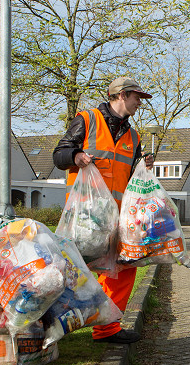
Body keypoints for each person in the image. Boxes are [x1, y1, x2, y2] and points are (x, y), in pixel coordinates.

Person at [53, 77, 155, 344]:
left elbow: (131, 176)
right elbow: (59, 154)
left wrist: (143, 166)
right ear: (122, 95)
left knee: (124, 268)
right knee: (71, 272)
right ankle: (50, 323)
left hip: (117, 218)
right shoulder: (87, 120)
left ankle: (107, 329)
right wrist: (76, 156)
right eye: (137, 98)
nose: (139, 103)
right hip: (85, 217)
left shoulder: (134, 135)